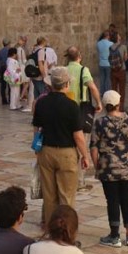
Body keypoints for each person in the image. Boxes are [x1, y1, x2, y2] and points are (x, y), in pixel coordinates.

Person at [33, 67, 90, 225]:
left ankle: (50, 228)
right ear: (67, 84)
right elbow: (78, 135)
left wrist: (37, 150)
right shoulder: (71, 106)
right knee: (67, 195)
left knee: (49, 194)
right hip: (66, 152)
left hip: (46, 151)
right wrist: (85, 155)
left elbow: (36, 129)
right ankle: (64, 229)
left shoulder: (41, 103)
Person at [90, 89, 128, 247]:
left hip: (108, 169)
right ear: (118, 103)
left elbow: (93, 147)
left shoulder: (100, 123)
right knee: (127, 199)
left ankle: (114, 235)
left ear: (106, 105)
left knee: (112, 200)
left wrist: (96, 166)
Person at [65, 47, 101, 112]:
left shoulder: (63, 70)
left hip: (65, 104)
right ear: (79, 56)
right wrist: (99, 103)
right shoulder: (83, 70)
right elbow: (93, 88)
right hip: (79, 105)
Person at [109, 32, 127, 110]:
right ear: (117, 38)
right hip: (121, 69)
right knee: (122, 89)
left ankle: (114, 105)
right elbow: (125, 58)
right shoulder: (123, 47)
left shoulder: (110, 47)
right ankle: (121, 106)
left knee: (114, 88)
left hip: (113, 70)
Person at [96, 31, 112, 96]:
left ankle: (102, 92)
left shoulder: (98, 43)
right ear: (108, 36)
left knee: (102, 78)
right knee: (108, 78)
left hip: (101, 63)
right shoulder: (111, 43)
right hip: (108, 63)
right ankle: (107, 92)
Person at [0, 38, 12, 105]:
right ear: (8, 43)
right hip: (8, 68)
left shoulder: (0, 51)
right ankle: (10, 99)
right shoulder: (10, 51)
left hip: (2, 68)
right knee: (10, 84)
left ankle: (4, 100)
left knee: (3, 85)